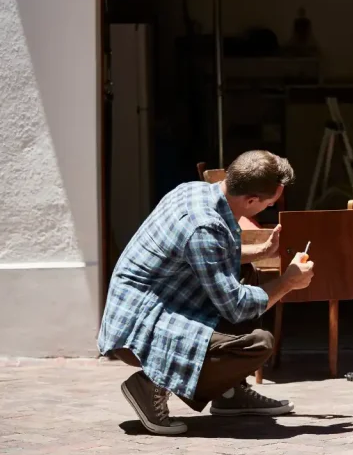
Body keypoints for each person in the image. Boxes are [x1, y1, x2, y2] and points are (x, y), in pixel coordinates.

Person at [98, 150, 315, 435]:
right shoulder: (205, 225)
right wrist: (288, 282)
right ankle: (149, 385)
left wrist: (260, 252)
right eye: (271, 203)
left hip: (157, 303)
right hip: (138, 328)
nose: (271, 208)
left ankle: (229, 394)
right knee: (257, 344)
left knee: (247, 277)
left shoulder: (195, 191)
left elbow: (209, 256)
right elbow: (235, 306)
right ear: (251, 201)